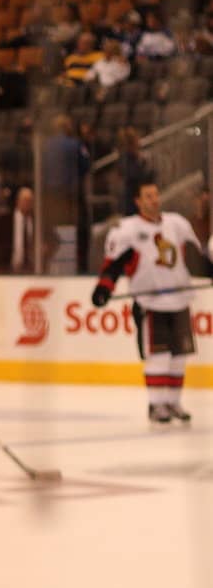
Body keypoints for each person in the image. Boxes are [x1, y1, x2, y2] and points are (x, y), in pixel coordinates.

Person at [91, 178, 211, 424]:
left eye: (156, 195)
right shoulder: (128, 230)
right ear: (137, 201)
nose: (154, 200)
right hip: (150, 303)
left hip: (180, 298)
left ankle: (173, 402)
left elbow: (199, 256)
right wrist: (104, 288)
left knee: (179, 355)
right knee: (159, 355)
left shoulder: (176, 224)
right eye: (148, 196)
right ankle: (156, 405)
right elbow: (113, 265)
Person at [0, 186, 38, 274]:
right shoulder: (4, 222)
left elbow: (53, 239)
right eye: (25, 200)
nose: (28, 203)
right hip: (8, 271)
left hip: (33, 271)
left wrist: (45, 249)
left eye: (30, 201)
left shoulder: (37, 221)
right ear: (18, 201)